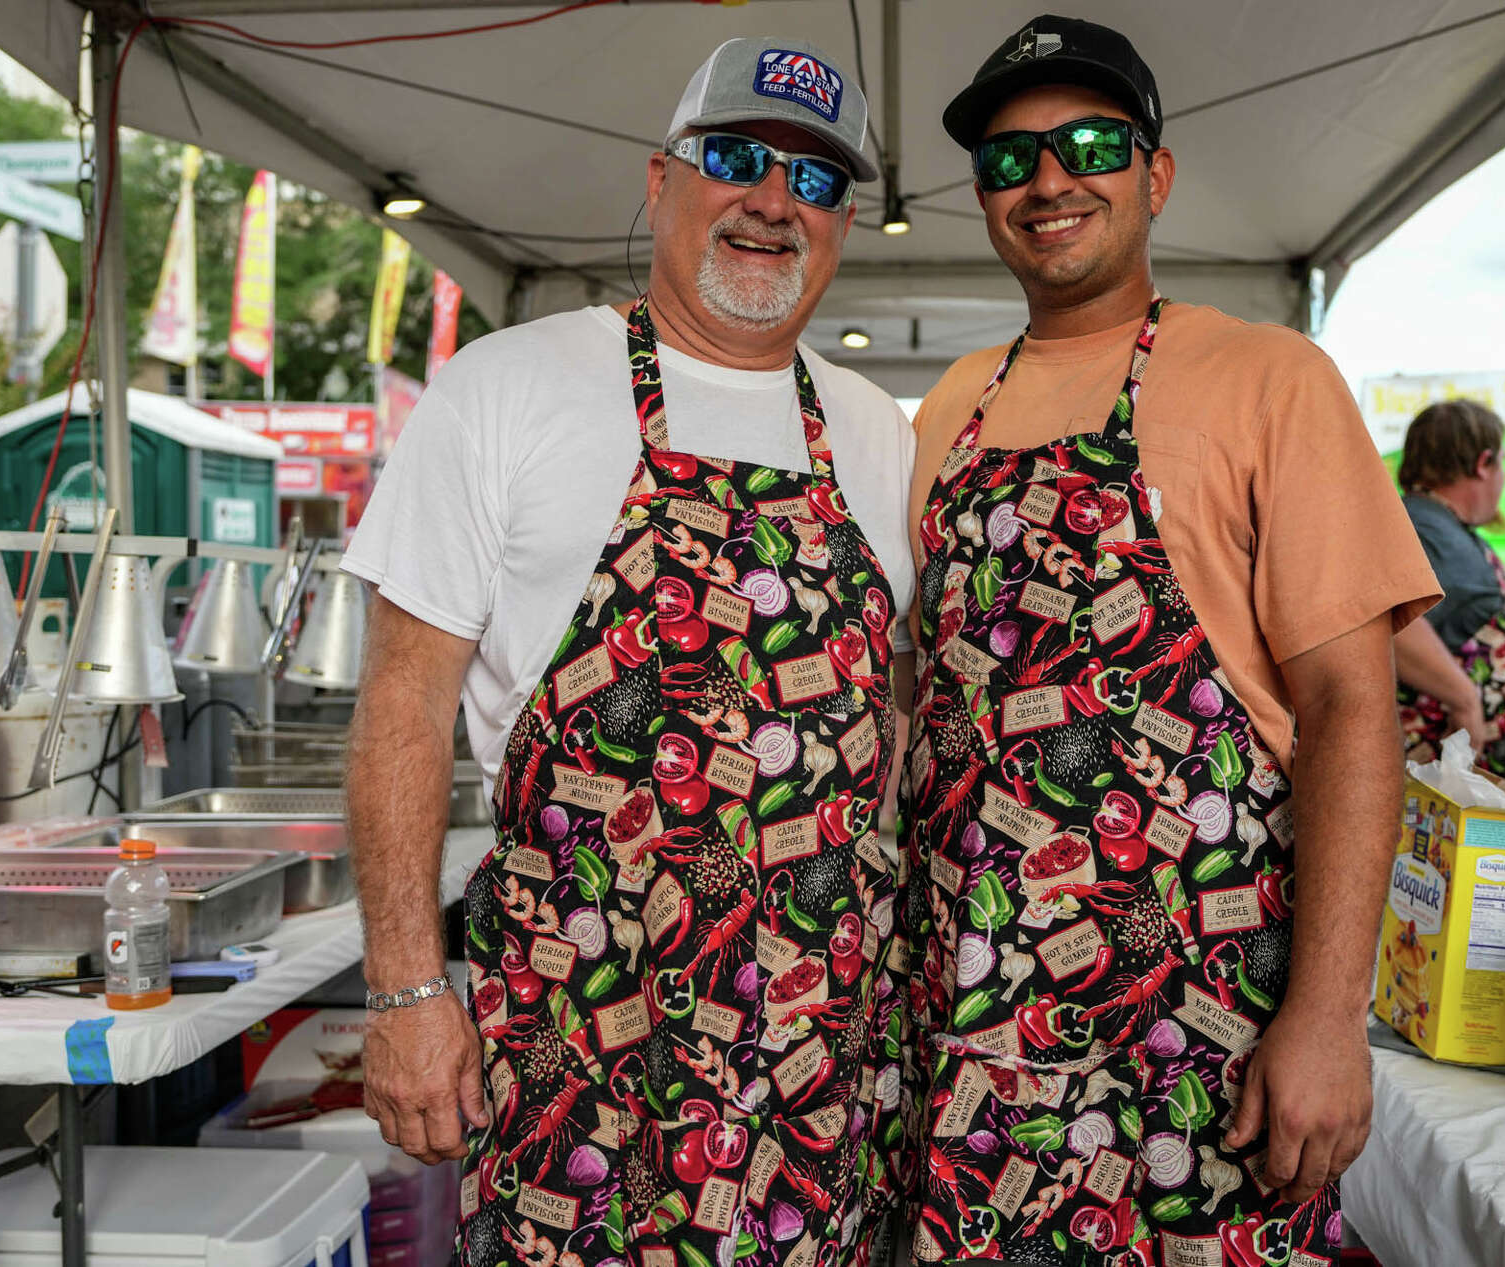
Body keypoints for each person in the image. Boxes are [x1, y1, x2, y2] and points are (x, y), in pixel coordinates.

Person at [340, 37, 918, 1267]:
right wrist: (403, 993)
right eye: (737, 158)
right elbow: (403, 702)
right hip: (581, 1048)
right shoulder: (504, 389)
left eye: (813, 179)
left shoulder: (879, 436)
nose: (773, 199)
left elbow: (898, 717)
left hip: (823, 1074)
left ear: (844, 223)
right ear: (661, 181)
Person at [897, 15, 1441, 1264]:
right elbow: (916, 700)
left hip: (1203, 1034)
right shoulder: (945, 408)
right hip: (974, 1028)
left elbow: (1356, 710)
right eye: (1008, 159)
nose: (1048, 181)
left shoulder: (1271, 376)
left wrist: (1326, 1016)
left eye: (1090, 142)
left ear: (1157, 172)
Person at [1392, 398, 1505, 777]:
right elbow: (1391, 620)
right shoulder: (1429, 531)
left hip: (1467, 770)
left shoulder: (1429, 523)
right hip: (1444, 775)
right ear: (1482, 463)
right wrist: (1465, 698)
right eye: (1502, 461)